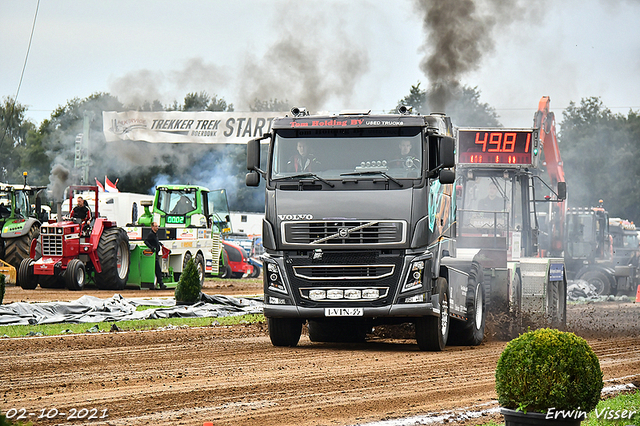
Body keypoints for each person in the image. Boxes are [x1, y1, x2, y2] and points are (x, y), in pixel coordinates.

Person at [144, 221, 168, 290]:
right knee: (157, 269)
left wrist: (160, 244)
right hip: (153, 255)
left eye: (157, 226)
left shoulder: (155, 234)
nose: (157, 227)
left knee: (157, 270)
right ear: (152, 227)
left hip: (156, 254)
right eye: (156, 226)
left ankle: (159, 284)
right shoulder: (151, 234)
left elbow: (155, 241)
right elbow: (146, 241)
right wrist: (151, 248)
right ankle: (160, 284)